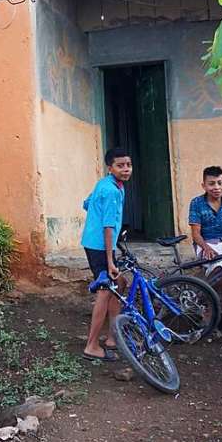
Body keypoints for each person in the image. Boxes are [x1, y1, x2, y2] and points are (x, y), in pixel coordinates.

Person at [81, 147, 132, 362]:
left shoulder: (107, 184)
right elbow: (108, 227)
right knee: (105, 290)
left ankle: (113, 337)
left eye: (128, 165)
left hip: (95, 242)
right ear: (110, 167)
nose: (126, 169)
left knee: (119, 285)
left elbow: (86, 203)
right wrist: (110, 259)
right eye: (120, 166)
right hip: (100, 247)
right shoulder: (111, 190)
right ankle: (91, 345)